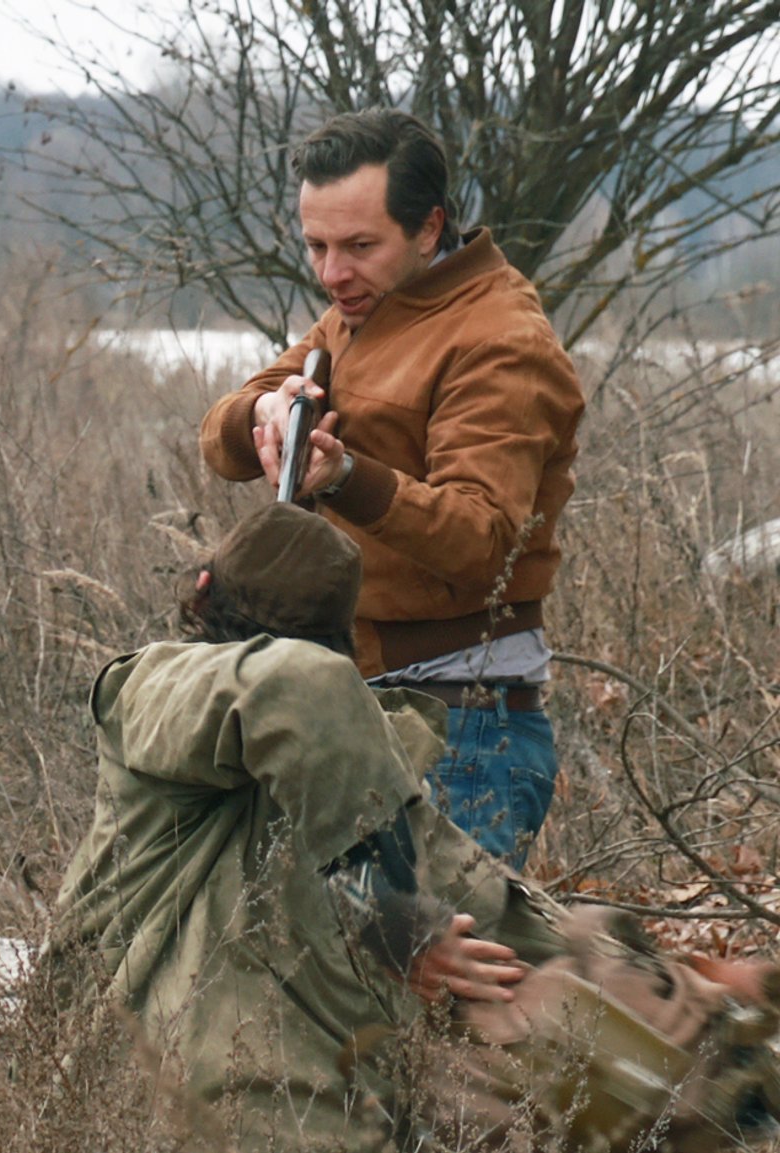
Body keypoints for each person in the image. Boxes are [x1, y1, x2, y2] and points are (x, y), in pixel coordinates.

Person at [43, 505, 780, 1151]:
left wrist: (704, 993)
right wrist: (389, 914)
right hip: (130, 1110)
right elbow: (292, 686)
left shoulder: (368, 783)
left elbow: (504, 917)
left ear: (204, 594)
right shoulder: (160, 691)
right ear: (345, 643)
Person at [198, 108, 584, 866]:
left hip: (461, 727)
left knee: (433, 979)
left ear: (429, 228)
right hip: (355, 703)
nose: (331, 272)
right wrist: (266, 411)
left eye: (358, 246)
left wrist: (343, 475)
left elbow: (483, 540)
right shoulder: (362, 308)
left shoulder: (500, 339)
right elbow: (219, 438)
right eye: (316, 245)